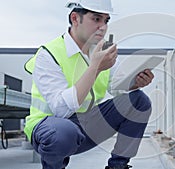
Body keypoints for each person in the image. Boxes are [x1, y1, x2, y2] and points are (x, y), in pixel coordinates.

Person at [24, 0, 154, 169]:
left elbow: (116, 86)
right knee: (63, 132)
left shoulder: (101, 50)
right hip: (49, 127)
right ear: (75, 18)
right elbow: (61, 110)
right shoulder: (48, 54)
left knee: (139, 101)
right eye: (96, 19)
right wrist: (95, 67)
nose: (103, 27)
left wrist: (134, 83)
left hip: (85, 124)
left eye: (106, 21)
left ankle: (118, 166)